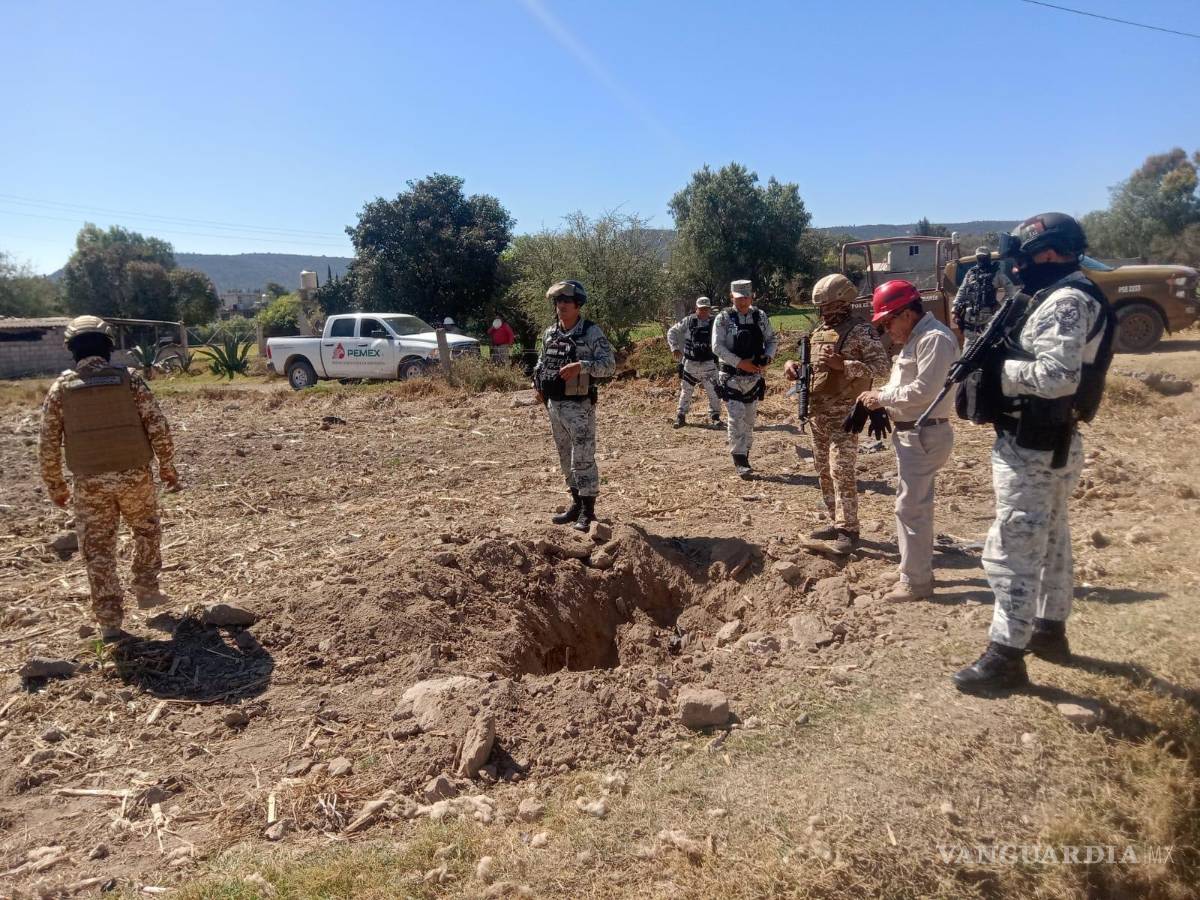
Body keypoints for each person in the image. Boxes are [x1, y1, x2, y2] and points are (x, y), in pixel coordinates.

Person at [954, 213, 1115, 693]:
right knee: (1051, 540)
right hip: (1047, 441)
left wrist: (998, 372)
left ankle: (1006, 655)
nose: (1016, 268)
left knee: (1011, 548)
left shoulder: (1066, 301)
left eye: (1022, 258)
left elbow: (1058, 377)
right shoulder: (1061, 294)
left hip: (1034, 443)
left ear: (1047, 252)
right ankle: (1049, 629)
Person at [38, 316, 180, 641]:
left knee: (98, 549)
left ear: (71, 348)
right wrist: (167, 466)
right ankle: (146, 588)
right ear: (108, 345)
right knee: (146, 531)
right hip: (135, 476)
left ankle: (110, 621)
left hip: (89, 483)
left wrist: (55, 484)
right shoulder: (129, 380)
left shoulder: (61, 388)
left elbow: (48, 441)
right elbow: (157, 425)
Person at [858, 280, 958, 602]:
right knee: (909, 505)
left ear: (906, 313)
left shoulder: (935, 340)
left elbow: (923, 391)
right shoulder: (917, 340)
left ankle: (916, 582)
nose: (887, 330)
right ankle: (909, 567)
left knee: (912, 508)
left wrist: (882, 397)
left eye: (888, 321)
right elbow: (906, 385)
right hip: (914, 432)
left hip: (925, 432)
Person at [784, 274, 889, 554]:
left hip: (846, 414)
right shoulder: (820, 332)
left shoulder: (861, 332)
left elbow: (881, 369)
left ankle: (849, 531)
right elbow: (813, 369)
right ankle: (835, 522)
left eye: (831, 306)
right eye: (823, 308)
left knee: (840, 470)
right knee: (823, 472)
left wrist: (845, 365)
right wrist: (794, 366)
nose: (826, 313)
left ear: (845, 302)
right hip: (818, 413)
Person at [533, 280, 616, 531]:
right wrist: (537, 385)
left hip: (579, 407)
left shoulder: (591, 332)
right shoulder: (550, 333)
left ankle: (588, 511)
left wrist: (582, 366)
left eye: (566, 301)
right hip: (554, 405)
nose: (561, 306)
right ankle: (576, 504)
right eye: (558, 302)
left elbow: (609, 365)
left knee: (582, 458)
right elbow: (541, 361)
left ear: (578, 304)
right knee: (564, 457)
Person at [713, 280, 777, 479]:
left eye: (746, 298)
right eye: (739, 298)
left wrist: (768, 357)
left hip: (754, 376)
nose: (742, 302)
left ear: (752, 296)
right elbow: (717, 347)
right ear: (732, 297)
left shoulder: (760, 317)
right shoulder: (723, 318)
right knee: (736, 416)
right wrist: (739, 363)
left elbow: (772, 340)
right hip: (731, 375)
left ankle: (746, 452)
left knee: (749, 419)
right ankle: (739, 458)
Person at [666, 296, 722, 429]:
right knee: (686, 392)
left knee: (714, 392)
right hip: (691, 364)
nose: (703, 312)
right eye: (701, 309)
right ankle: (681, 416)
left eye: (706, 309)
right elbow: (672, 332)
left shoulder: (715, 322)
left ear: (709, 309)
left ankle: (715, 417)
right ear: (696, 309)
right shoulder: (688, 321)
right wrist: (674, 347)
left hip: (709, 364)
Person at [953, 246, 1015, 341]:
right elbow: (962, 290)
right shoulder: (971, 273)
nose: (981, 260)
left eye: (984, 257)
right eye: (979, 257)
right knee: (968, 352)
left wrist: (1001, 305)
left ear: (988, 258)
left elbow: (1011, 290)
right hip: (971, 320)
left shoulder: (996, 273)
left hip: (988, 319)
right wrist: (955, 310)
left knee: (988, 348)